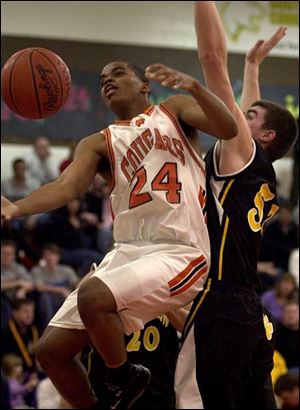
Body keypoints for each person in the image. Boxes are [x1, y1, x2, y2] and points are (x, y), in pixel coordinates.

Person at [1, 60, 237, 409]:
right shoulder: (98, 143)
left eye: (117, 74)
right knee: (50, 351)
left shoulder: (173, 111)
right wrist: (16, 208)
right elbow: (66, 186)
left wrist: (195, 87)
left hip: (179, 249)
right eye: (102, 79)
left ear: (144, 85)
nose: (107, 81)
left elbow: (228, 127)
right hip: (128, 252)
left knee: (93, 294)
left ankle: (125, 376)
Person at [170, 3, 298, 409]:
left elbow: (211, 59)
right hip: (253, 314)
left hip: (220, 304)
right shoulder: (260, 170)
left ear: (264, 135)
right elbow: (248, 116)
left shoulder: (241, 151)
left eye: (249, 116)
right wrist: (254, 67)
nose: (238, 116)